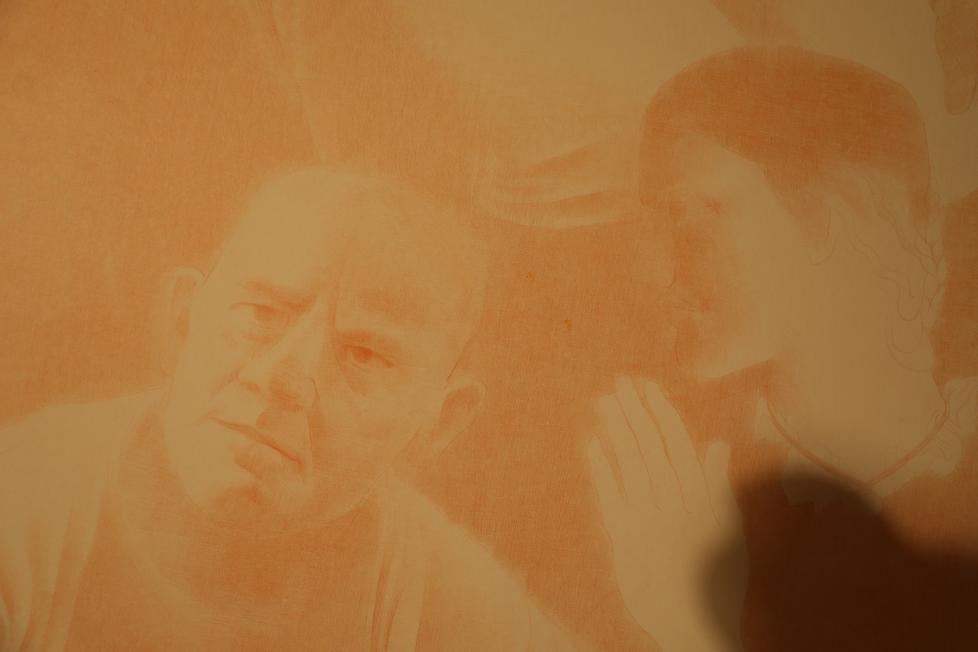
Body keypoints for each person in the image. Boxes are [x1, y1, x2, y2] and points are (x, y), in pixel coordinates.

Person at [0, 168, 584, 650]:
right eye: (260, 315)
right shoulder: (28, 501)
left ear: (440, 421)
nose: (282, 379)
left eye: (363, 354)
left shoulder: (436, 590)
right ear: (183, 320)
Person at [587, 46, 978, 650]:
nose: (657, 270)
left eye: (696, 212)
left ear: (824, 217)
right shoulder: (661, 486)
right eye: (654, 222)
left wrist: (698, 626)